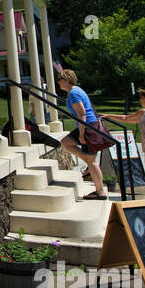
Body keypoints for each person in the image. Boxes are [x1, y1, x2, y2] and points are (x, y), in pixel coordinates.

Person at [56, 68, 108, 200]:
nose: (58, 83)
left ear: (67, 80)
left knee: (92, 162)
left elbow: (82, 114)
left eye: (59, 80)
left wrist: (81, 134)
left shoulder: (74, 93)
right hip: (88, 126)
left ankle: (100, 191)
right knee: (67, 143)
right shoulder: (76, 91)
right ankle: (89, 166)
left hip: (88, 127)